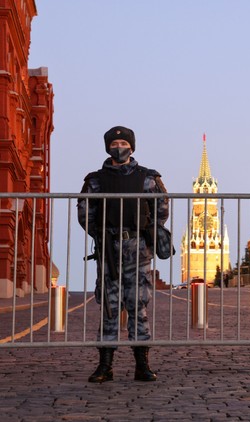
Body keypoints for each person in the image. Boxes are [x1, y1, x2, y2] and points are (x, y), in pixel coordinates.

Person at [78, 125, 169, 383]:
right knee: (109, 307)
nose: (119, 147)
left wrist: (146, 234)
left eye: (123, 143)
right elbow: (86, 216)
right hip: (109, 249)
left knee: (138, 306)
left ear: (132, 146)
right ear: (108, 147)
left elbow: (161, 210)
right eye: (114, 143)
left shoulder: (148, 178)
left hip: (138, 251)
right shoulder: (94, 180)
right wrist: (102, 234)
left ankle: (143, 364)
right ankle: (105, 365)